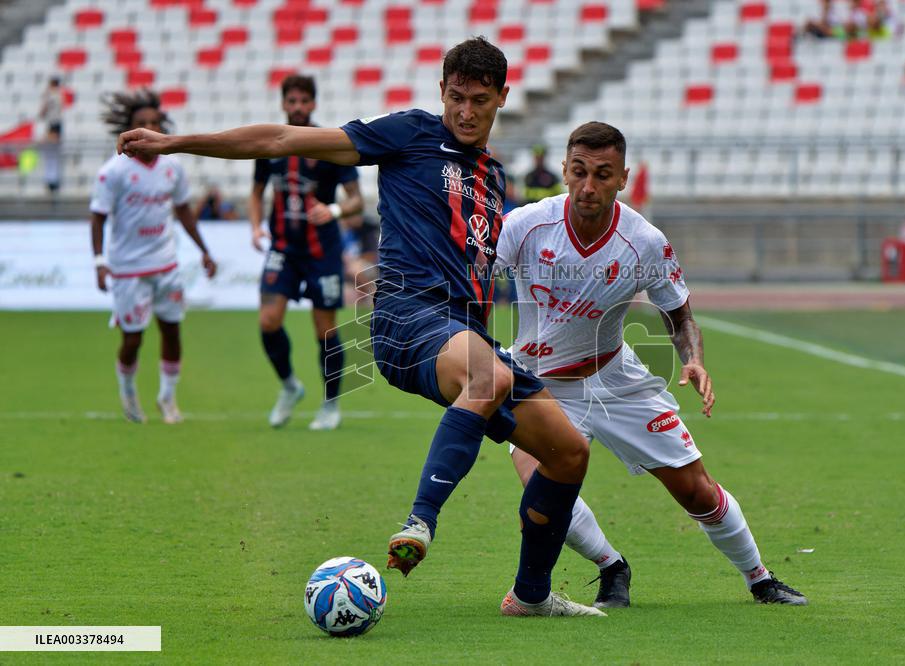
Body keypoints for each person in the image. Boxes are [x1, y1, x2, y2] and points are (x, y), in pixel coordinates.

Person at [117, 37, 603, 617]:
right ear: (441, 91)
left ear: (502, 96)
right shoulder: (409, 134)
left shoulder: (494, 177)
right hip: (405, 318)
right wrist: (174, 143)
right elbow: (280, 140)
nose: (465, 111)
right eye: (455, 97)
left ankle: (530, 596)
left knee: (569, 452)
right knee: (488, 376)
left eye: (479, 100)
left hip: (465, 333)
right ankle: (420, 522)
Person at [496, 122, 808, 606]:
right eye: (579, 172)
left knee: (695, 490)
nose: (588, 186)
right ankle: (611, 567)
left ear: (623, 178)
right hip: (538, 386)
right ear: (564, 170)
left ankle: (760, 578)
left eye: (603, 174)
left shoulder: (644, 241)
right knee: (542, 495)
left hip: (614, 378)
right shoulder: (526, 226)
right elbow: (470, 279)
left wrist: (694, 359)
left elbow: (679, 315)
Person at [90, 88, 217, 424]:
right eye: (141, 123)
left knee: (172, 331)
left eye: (155, 122)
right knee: (133, 339)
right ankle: (128, 391)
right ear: (130, 130)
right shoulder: (113, 171)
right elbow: (98, 217)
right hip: (128, 269)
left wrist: (204, 250)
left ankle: (168, 397)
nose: (149, 128)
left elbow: (184, 211)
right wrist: (99, 263)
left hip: (166, 264)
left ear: (162, 127)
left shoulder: (173, 167)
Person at [249, 74, 364, 430]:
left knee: (324, 329)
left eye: (303, 101)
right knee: (268, 321)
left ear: (313, 104)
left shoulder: (330, 144)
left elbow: (356, 201)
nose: (298, 107)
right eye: (292, 101)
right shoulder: (270, 145)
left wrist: (333, 210)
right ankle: (289, 387)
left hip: (321, 250)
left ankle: (330, 405)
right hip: (283, 248)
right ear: (283, 104)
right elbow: (256, 192)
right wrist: (255, 226)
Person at [38, 77, 64, 195]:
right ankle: (52, 183)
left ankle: (52, 183)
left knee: (51, 155)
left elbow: (43, 111)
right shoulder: (59, 95)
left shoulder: (52, 96)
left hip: (54, 124)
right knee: (52, 156)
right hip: (55, 125)